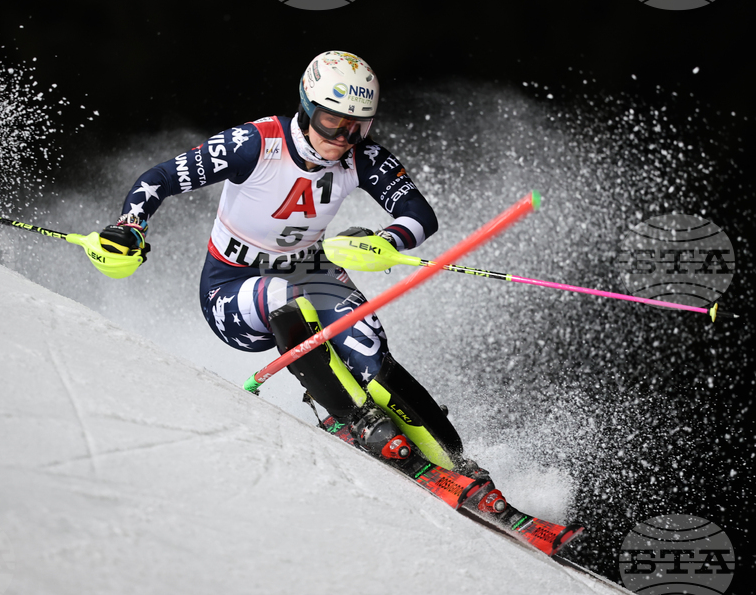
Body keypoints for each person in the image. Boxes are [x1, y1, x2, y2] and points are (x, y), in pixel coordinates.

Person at [97, 50, 496, 492]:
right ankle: (354, 417)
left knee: (368, 348)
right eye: (332, 121)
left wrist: (387, 239)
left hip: (308, 269)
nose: (343, 137)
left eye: (357, 126)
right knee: (286, 299)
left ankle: (458, 462)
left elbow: (419, 213)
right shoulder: (256, 144)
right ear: (307, 107)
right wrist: (130, 225)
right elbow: (162, 177)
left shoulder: (361, 156)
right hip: (231, 287)